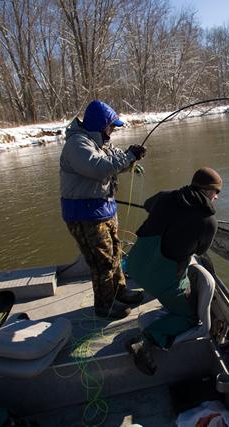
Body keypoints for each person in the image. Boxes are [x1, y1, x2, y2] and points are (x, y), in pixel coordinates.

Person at [125, 167, 222, 375]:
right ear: (208, 191)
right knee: (190, 318)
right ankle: (145, 340)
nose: (217, 197)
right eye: (217, 192)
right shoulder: (209, 221)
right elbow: (200, 250)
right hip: (161, 279)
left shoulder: (165, 196)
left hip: (134, 265)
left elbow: (148, 205)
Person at [60, 100, 147, 319]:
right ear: (100, 125)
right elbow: (100, 169)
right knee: (103, 262)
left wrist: (131, 157)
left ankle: (120, 291)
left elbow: (114, 160)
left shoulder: (99, 143)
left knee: (115, 253)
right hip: (85, 215)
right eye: (110, 127)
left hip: (103, 210)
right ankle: (104, 306)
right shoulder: (77, 144)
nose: (112, 131)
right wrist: (128, 157)